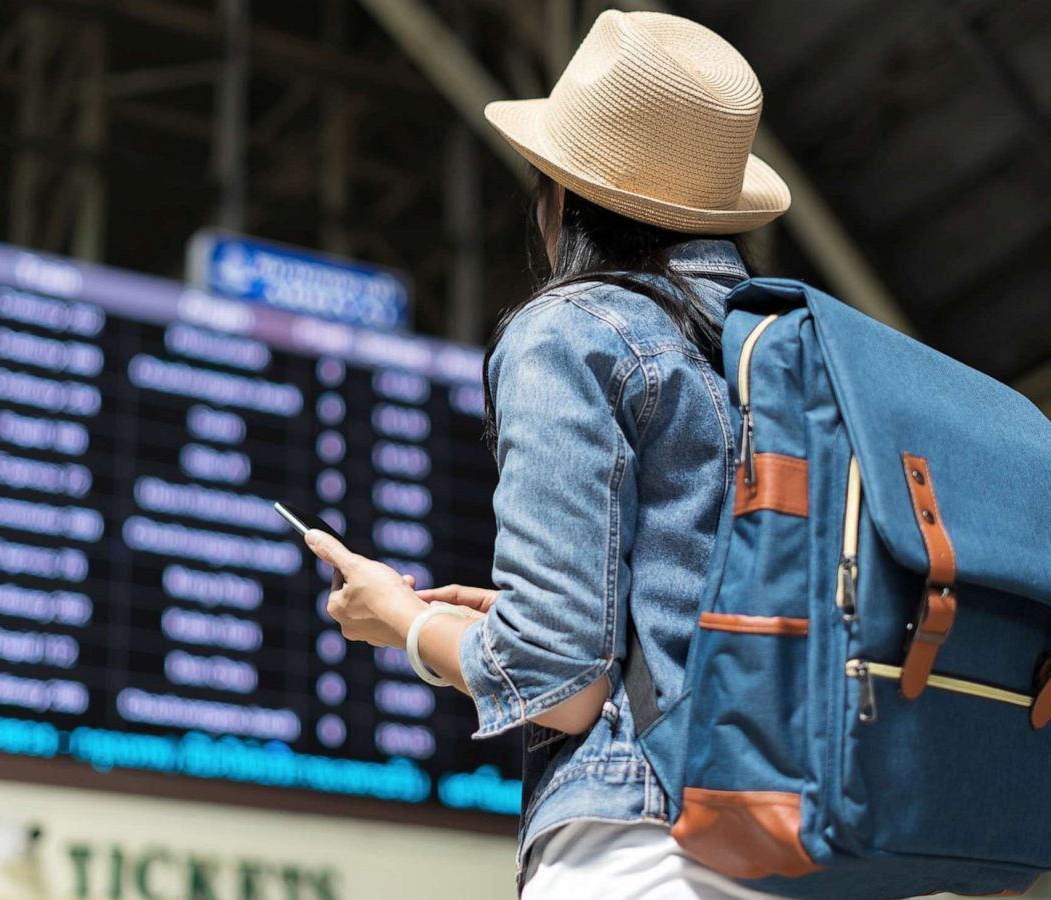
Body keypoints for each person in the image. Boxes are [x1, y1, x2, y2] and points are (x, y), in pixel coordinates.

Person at [305, 11, 792, 898]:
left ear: (564, 197)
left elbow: (562, 683)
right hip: (817, 840)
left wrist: (403, 623)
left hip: (652, 846)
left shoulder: (574, 332)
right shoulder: (795, 348)